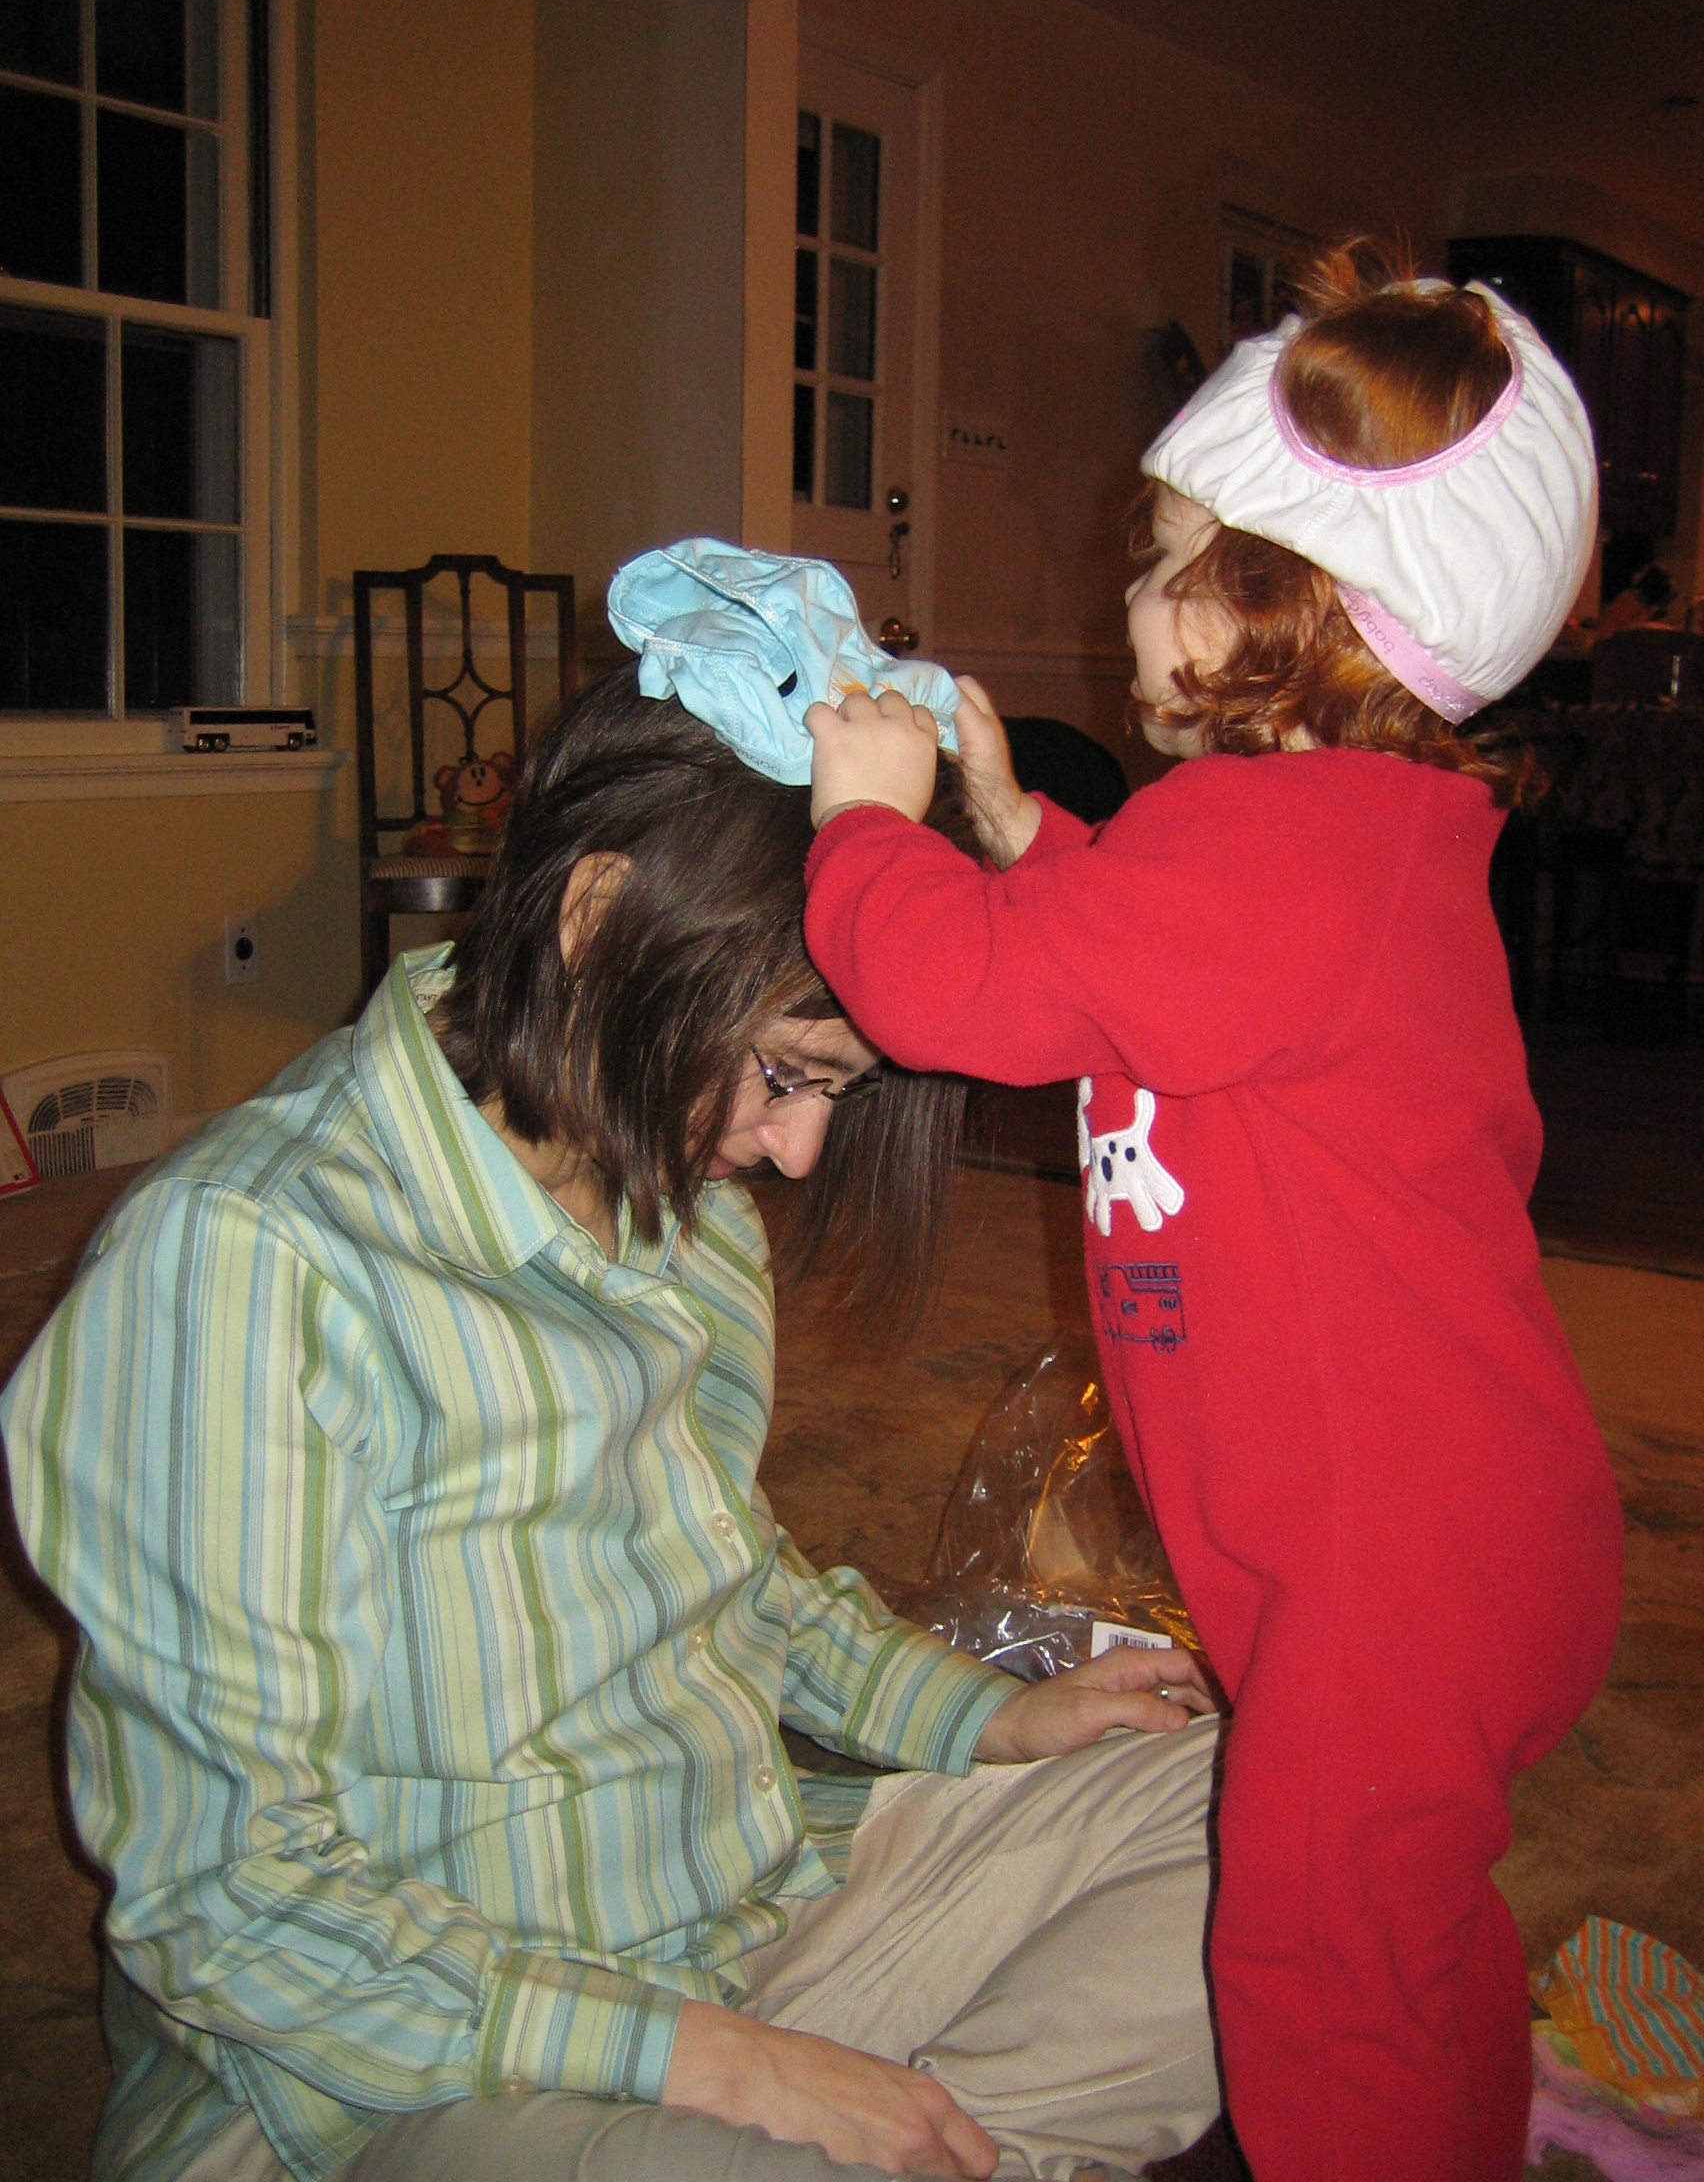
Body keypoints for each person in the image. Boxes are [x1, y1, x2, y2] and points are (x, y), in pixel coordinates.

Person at [2, 668, 1222, 2182]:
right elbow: (231, 1902)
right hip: (415, 2061)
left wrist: (981, 1717)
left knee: (1266, 1821)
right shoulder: (245, 1265)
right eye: (787, 1075)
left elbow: (726, 1573)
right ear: (597, 919)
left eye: (837, 1092)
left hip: (747, 1916)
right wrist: (719, 2067)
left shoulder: (679, 1204)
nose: (797, 1154)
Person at [800, 243, 1625, 2182]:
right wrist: (1019, 828)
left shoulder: (1276, 843)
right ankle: (1465, 2105)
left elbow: (967, 995)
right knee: (1387, 1927)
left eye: (1169, 554)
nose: (1128, 594)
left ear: (1289, 601)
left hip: (1386, 1563)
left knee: (1320, 1963)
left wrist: (865, 824)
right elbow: (1154, 968)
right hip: (1401, 1534)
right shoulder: (1327, 848)